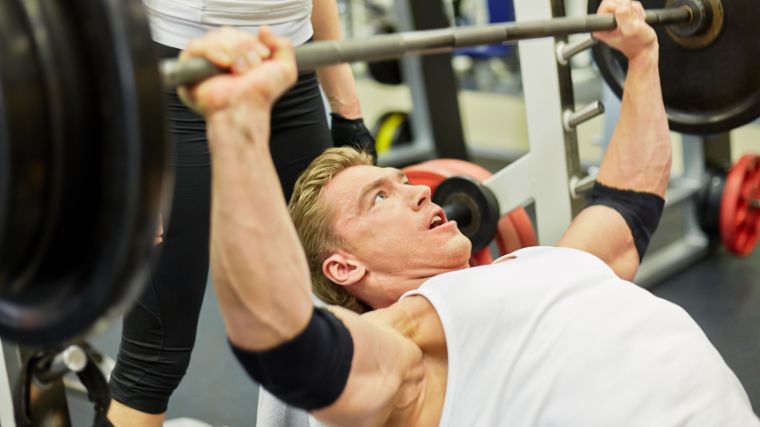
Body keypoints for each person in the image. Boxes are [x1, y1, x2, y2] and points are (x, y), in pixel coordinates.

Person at [182, 1, 759, 425]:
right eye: (379, 197)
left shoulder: (544, 265)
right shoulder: (406, 348)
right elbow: (285, 344)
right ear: (343, 269)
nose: (419, 192)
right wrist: (236, 129)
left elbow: (628, 204)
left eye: (404, 180)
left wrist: (645, 56)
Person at [107, 0, 374, 425]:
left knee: (354, 304)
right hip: (177, 79)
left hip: (294, 71)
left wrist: (347, 108)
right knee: (155, 356)